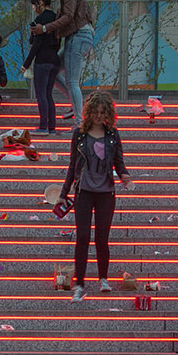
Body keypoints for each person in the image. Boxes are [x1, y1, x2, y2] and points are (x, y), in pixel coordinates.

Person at [56, 91, 130, 302]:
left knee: (102, 238)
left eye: (102, 112)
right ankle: (79, 283)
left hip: (106, 191)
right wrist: (64, 193)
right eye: (95, 112)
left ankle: (103, 278)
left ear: (108, 113)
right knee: (82, 237)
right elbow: (72, 165)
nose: (99, 116)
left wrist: (125, 176)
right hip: (84, 191)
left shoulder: (113, 134)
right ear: (89, 113)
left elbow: (119, 161)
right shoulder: (79, 134)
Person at [33, 0, 95, 127]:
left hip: (78, 36)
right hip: (76, 37)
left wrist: (45, 28)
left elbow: (68, 17)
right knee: (53, 72)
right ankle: (77, 104)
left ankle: (81, 123)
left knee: (72, 80)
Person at [20, 0, 62, 134]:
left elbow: (36, 44)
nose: (33, 8)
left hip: (43, 60)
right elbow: (58, 41)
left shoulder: (40, 20)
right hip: (54, 59)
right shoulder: (56, 18)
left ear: (41, 3)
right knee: (49, 94)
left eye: (34, 4)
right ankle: (52, 127)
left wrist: (26, 64)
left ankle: (43, 126)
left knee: (41, 94)